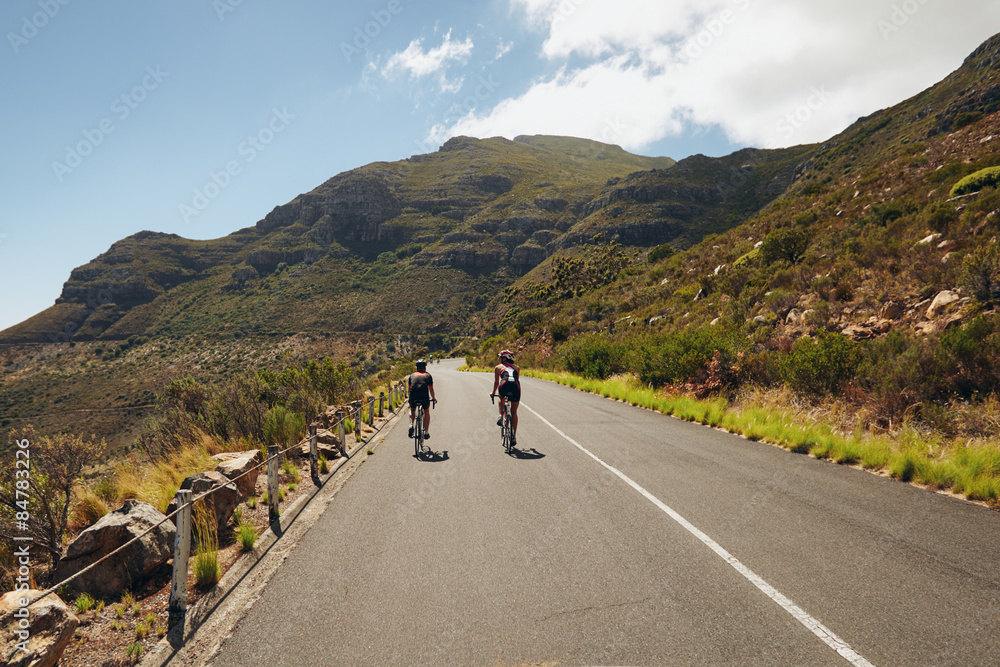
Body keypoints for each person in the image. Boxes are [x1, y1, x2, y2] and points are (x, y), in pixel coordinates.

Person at [491, 349, 520, 445]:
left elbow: (496, 382)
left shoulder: (498, 367)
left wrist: (493, 393)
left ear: (504, 358)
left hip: (504, 384)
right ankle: (513, 436)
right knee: (514, 412)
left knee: (501, 397)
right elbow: (516, 379)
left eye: (500, 357)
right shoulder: (517, 367)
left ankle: (500, 415)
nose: (499, 359)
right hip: (515, 386)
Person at [408, 359, 436, 439]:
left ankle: (411, 425)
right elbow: (431, 389)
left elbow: (409, 389)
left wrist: (409, 398)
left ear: (417, 367)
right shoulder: (428, 375)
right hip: (423, 395)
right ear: (425, 367)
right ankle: (426, 432)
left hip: (413, 394)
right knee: (426, 411)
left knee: (412, 409)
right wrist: (433, 398)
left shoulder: (412, 375)